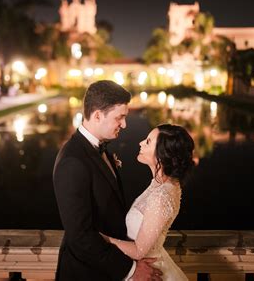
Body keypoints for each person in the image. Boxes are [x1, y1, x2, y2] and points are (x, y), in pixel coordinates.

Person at [53, 80, 162, 281]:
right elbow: (80, 237)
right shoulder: (72, 161)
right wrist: (130, 269)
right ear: (97, 115)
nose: (125, 124)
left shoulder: (98, 148)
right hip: (87, 274)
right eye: (119, 117)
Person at [101, 124, 195, 281]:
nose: (140, 143)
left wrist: (102, 238)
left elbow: (139, 250)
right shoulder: (160, 184)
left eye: (148, 142)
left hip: (149, 272)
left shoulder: (162, 196)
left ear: (162, 154)